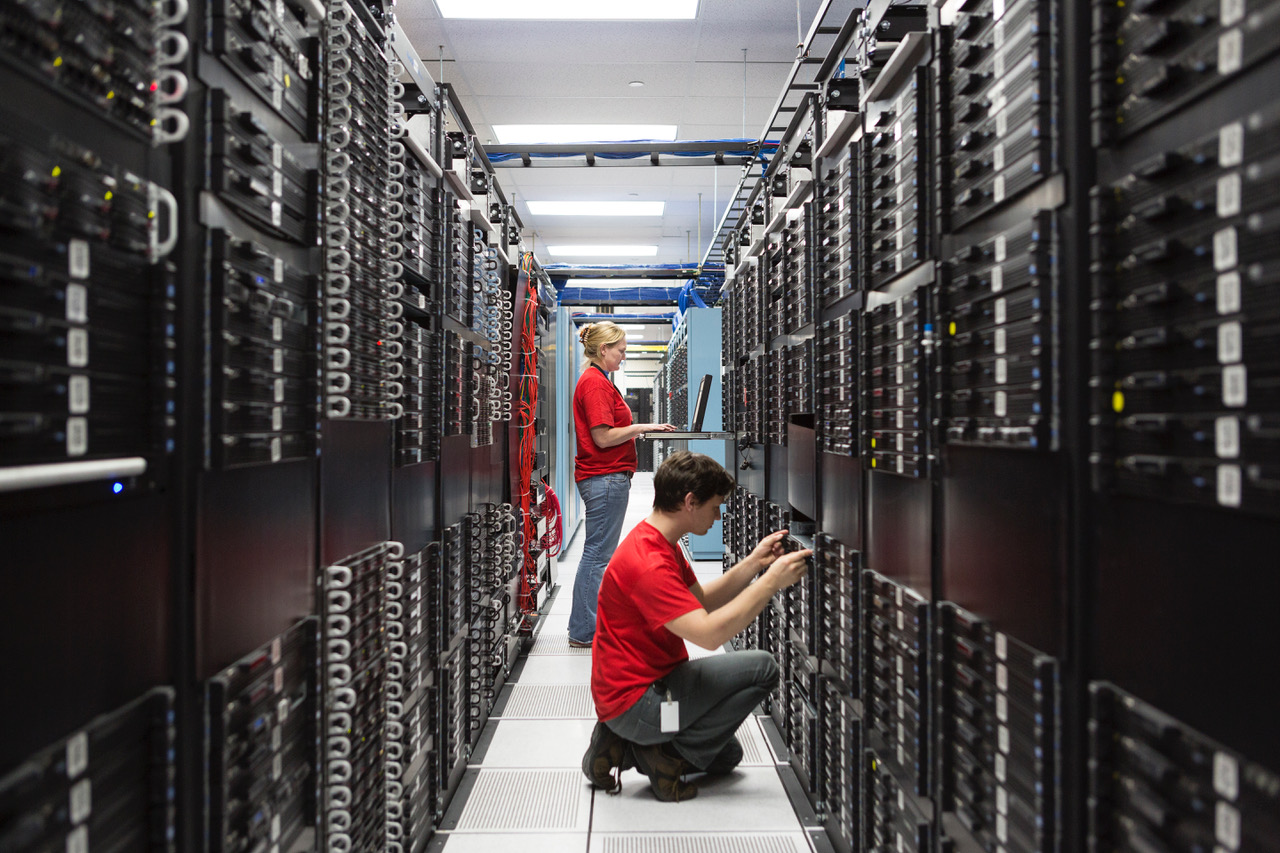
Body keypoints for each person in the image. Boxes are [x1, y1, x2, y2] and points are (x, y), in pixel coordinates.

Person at [580, 451, 812, 801]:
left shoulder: (658, 541)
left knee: (726, 756)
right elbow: (709, 634)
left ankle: (622, 746)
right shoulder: (649, 564)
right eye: (715, 506)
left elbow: (700, 601)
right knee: (763, 667)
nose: (718, 517)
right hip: (639, 698)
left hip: (647, 686)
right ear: (690, 502)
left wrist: (755, 563)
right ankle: (663, 757)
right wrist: (770, 584)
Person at [568, 321, 675, 648]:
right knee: (597, 555)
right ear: (604, 350)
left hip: (605, 477)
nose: (623, 356)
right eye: (621, 351)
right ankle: (584, 631)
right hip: (604, 477)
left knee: (599, 552)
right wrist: (644, 425)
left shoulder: (597, 380)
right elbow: (602, 438)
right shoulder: (595, 384)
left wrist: (638, 430)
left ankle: (587, 625)